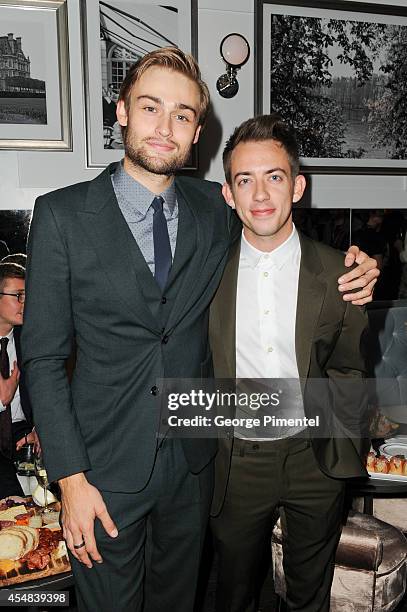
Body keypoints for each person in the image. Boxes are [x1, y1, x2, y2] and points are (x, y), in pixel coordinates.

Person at [21, 48, 378, 612]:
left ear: (196, 134)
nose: (165, 128)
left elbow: (278, 239)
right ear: (121, 111)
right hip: (104, 470)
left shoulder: (214, 211)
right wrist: (70, 478)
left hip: (195, 467)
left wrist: (358, 266)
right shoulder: (62, 215)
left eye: (183, 115)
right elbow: (40, 359)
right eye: (150, 108)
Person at [209, 114, 370, 612]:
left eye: (274, 177)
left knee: (308, 594)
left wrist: (341, 449)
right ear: (228, 194)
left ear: (297, 186)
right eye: (245, 180)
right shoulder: (204, 271)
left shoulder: (341, 272)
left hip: (313, 459)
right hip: (236, 461)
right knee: (232, 594)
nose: (260, 194)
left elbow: (350, 369)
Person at [0, 262, 39, 500]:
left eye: (27, 296)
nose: (25, 303)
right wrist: (1, 399)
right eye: (18, 296)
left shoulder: (31, 340)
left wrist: (40, 429)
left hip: (19, 433)